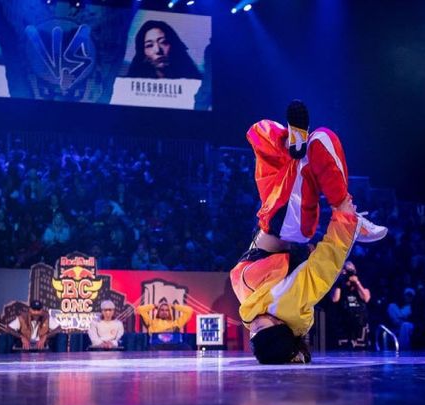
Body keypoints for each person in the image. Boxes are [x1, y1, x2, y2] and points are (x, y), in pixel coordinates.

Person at [229, 100, 387, 364]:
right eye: (261, 327)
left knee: (267, 138)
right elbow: (324, 267)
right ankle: (345, 207)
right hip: (287, 227)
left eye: (252, 332)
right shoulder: (285, 304)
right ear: (279, 325)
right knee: (319, 143)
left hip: (273, 223)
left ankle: (294, 144)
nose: (254, 325)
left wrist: (293, 351)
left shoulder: (258, 313)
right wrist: (344, 218)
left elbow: (271, 328)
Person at [127, 20, 202, 79]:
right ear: (142, 52)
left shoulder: (196, 82)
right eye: (149, 45)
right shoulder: (132, 83)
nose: (158, 50)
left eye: (163, 42)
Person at [330, 260, 371, 349]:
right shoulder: (339, 284)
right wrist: (340, 282)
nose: (348, 273)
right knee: (344, 349)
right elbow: (334, 299)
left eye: (351, 270)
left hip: (360, 322)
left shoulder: (360, 282)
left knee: (361, 350)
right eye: (346, 270)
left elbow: (366, 298)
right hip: (344, 323)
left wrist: (357, 283)